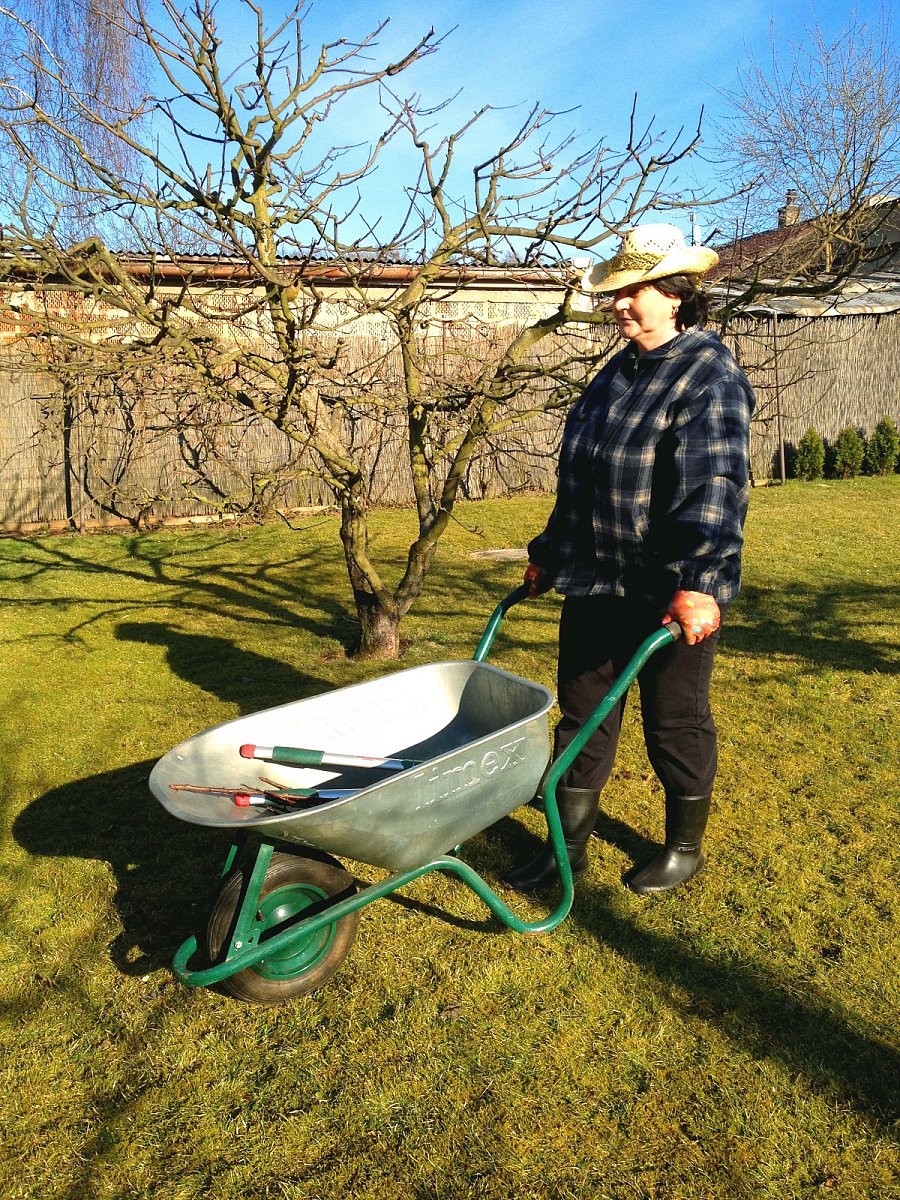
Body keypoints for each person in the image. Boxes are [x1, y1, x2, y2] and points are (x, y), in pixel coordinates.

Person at [505, 224, 755, 896]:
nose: (618, 303)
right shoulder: (615, 373)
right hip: (595, 580)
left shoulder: (708, 372)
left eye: (632, 290)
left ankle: (682, 846)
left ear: (675, 295)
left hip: (667, 592)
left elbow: (717, 486)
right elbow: (581, 479)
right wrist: (550, 555)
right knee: (582, 718)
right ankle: (568, 848)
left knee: (675, 720)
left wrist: (701, 585)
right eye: (614, 292)